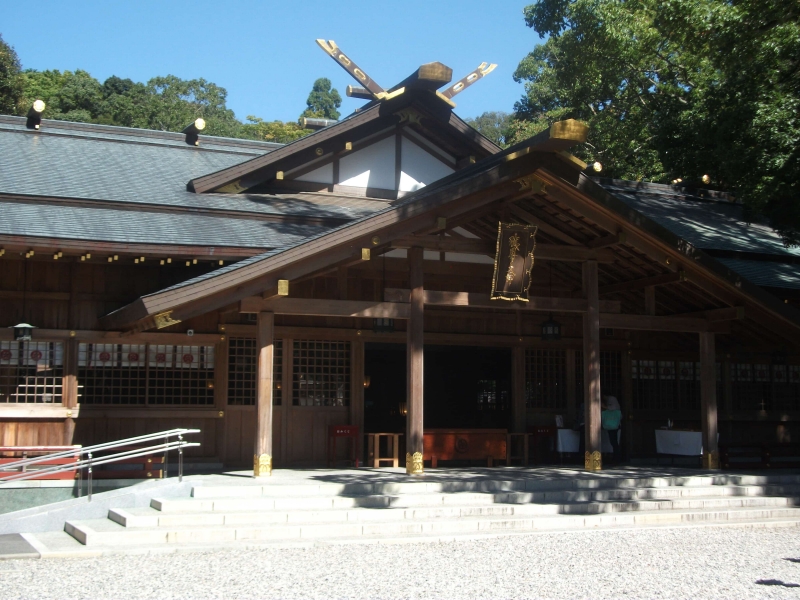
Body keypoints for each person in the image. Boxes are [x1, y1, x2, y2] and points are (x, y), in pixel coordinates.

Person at [601, 395, 622, 464]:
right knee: (614, 441)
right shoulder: (612, 400)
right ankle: (616, 458)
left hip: (612, 425)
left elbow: (613, 408)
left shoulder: (612, 399)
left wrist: (604, 406)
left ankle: (616, 458)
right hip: (614, 424)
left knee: (614, 441)